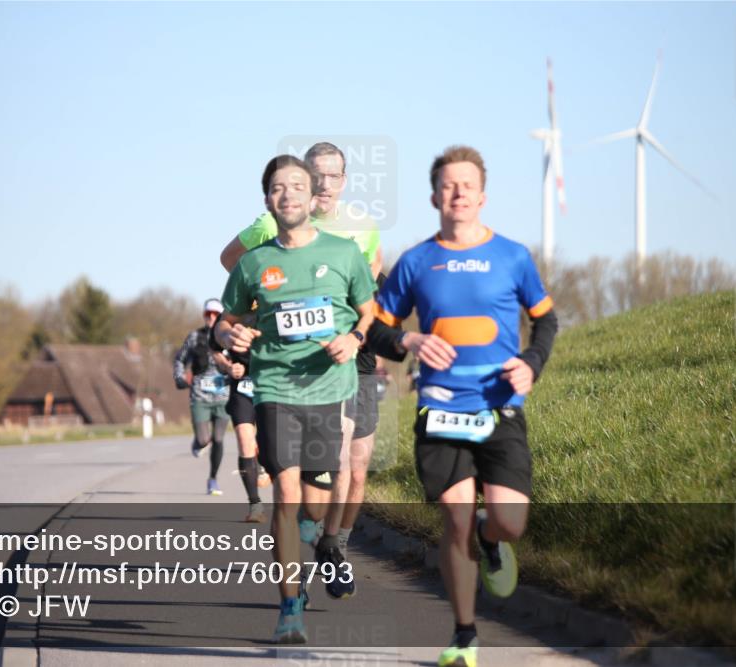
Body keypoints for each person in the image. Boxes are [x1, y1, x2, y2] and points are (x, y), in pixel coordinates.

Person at [372, 145, 558, 667]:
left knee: (509, 521)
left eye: (467, 185)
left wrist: (532, 363)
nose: (458, 194)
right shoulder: (415, 262)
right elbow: (376, 332)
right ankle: (464, 636)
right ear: (434, 196)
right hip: (440, 410)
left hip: (499, 407)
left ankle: (491, 537)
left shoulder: (513, 257)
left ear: (483, 196)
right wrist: (408, 343)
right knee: (454, 520)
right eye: (449, 185)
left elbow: (546, 321)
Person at [219, 142, 402, 599]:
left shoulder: (362, 226)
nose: (323, 184)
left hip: (352, 354)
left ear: (344, 180)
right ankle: (311, 542)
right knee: (329, 462)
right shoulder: (273, 222)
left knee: (358, 467)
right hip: (296, 363)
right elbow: (230, 261)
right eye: (314, 175)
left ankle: (333, 546)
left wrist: (364, 334)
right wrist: (263, 309)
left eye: (333, 176)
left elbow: (372, 282)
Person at [208, 312, 271, 523]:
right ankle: (255, 505)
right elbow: (214, 348)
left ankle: (265, 462)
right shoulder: (233, 308)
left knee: (271, 444)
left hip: (273, 385)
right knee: (245, 440)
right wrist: (228, 367)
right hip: (242, 385)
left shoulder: (278, 295)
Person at [174, 299, 232, 496]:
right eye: (208, 314)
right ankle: (198, 442)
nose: (211, 318)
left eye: (215, 314)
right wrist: (180, 377)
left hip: (223, 396)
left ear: (221, 317)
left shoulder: (228, 336)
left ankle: (213, 479)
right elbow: (180, 359)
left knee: (218, 438)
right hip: (200, 396)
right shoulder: (194, 337)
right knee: (204, 438)